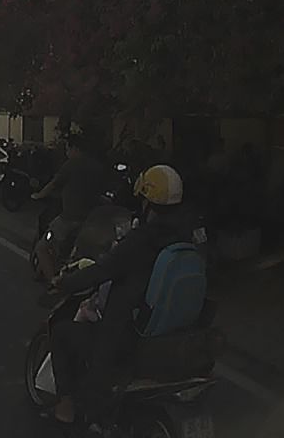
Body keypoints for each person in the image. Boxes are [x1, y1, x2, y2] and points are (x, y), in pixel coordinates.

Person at [48, 164, 204, 427]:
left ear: (147, 201)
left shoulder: (143, 239)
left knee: (62, 333)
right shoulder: (190, 233)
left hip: (128, 332)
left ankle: (67, 405)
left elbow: (103, 270)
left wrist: (65, 283)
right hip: (175, 328)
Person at [32, 134, 108, 282]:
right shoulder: (97, 166)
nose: (67, 152)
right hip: (92, 220)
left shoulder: (72, 164)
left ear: (75, 149)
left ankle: (54, 283)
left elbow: (54, 183)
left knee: (41, 248)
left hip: (70, 217)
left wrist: (39, 195)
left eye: (68, 148)